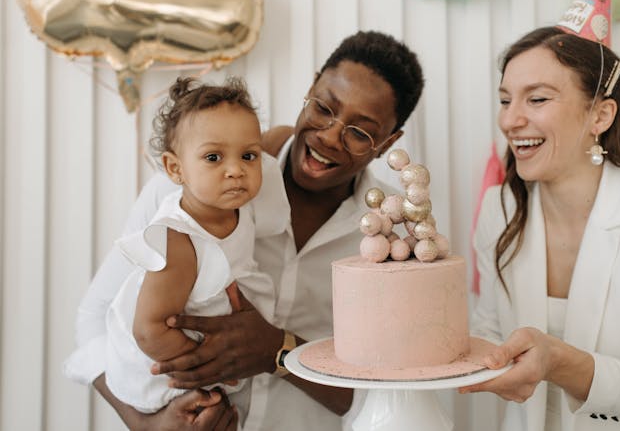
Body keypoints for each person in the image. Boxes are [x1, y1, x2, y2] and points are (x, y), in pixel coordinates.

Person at [66, 30, 425, 430]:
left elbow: (395, 390)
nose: (328, 135)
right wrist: (148, 424)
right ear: (310, 88)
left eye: (360, 132)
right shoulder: (192, 185)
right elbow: (96, 318)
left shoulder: (398, 232)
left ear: (387, 142)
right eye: (324, 107)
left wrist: (281, 352)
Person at [459, 25, 620, 430]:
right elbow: (490, 331)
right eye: (505, 100)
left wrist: (560, 362)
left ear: (600, 114)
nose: (510, 119)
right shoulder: (502, 208)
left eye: (538, 98)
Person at [65, 77, 284, 422]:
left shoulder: (239, 209)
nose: (236, 170)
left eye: (248, 155)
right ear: (174, 168)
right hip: (163, 368)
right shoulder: (177, 239)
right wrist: (208, 365)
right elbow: (148, 329)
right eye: (213, 157)